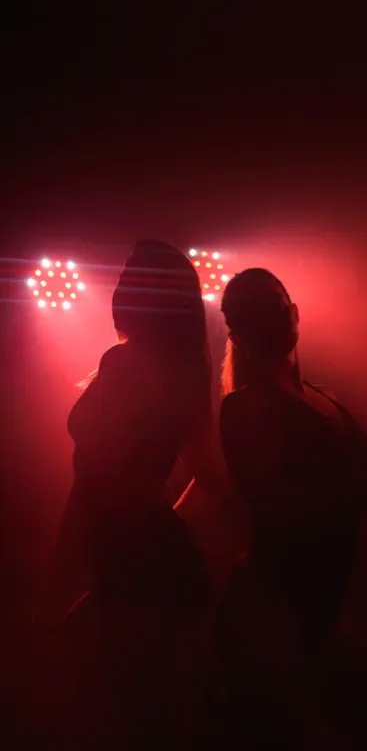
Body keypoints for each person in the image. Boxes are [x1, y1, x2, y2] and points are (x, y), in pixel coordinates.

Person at [215, 268, 367, 748]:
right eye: (256, 313)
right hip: (276, 607)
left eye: (277, 304)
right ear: (237, 335)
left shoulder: (322, 398)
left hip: (316, 604)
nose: (273, 318)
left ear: (295, 312)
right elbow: (283, 508)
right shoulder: (246, 408)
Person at [51, 239, 227, 748]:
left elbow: (101, 482)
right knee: (146, 716)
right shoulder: (182, 370)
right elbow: (210, 477)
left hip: (137, 560)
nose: (121, 286)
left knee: (121, 714)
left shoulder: (126, 364)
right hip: (141, 557)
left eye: (133, 278)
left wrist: (144, 527)